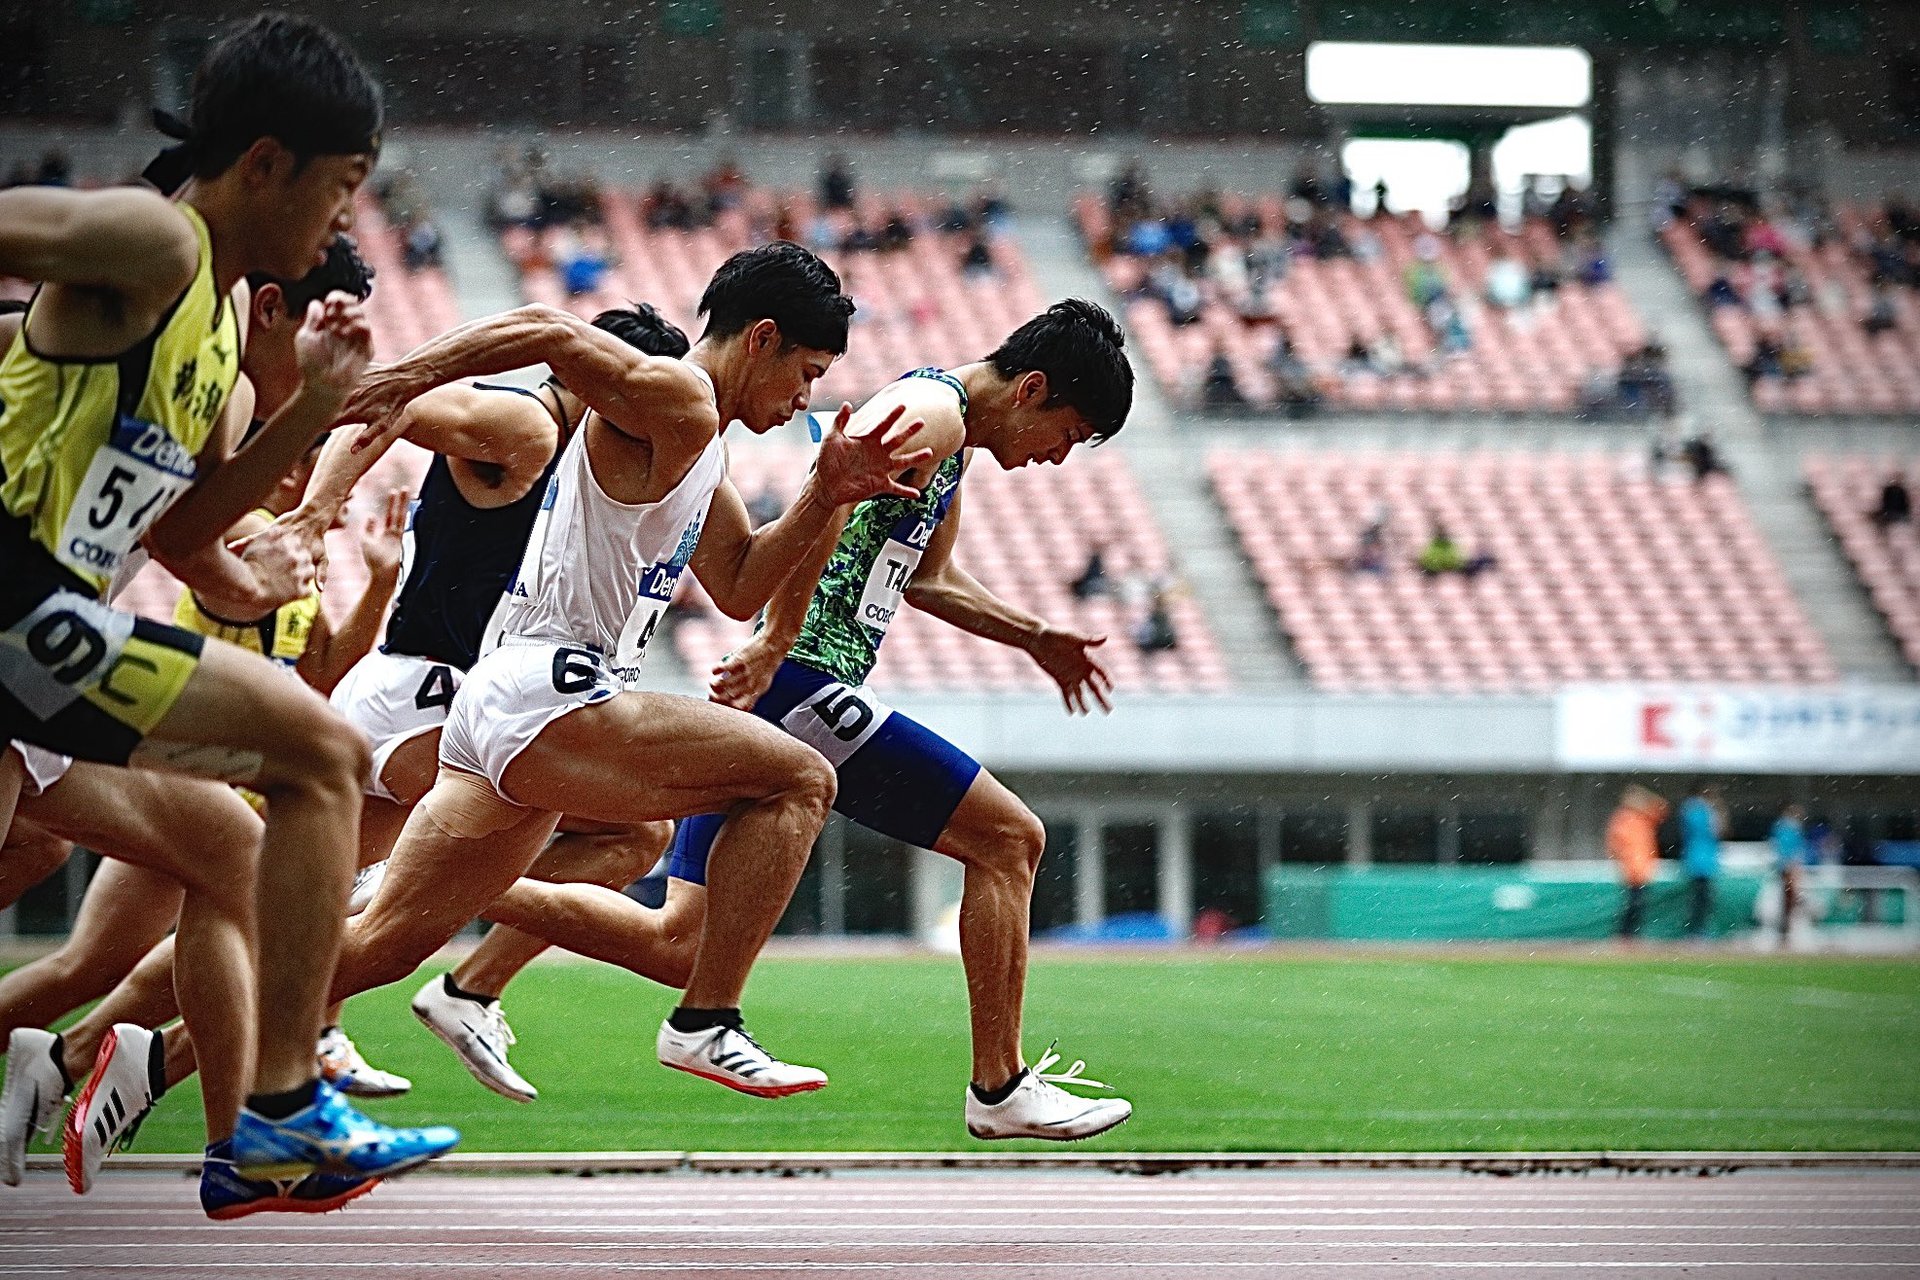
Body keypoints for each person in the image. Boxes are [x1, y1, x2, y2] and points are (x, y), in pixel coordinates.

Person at [0, 13, 455, 1194]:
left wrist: (308, 414)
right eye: (344, 188)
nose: (349, 220)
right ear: (265, 163)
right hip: (15, 610)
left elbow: (186, 531)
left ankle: (257, 1128)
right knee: (315, 750)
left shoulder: (209, 327)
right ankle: (284, 1108)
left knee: (245, 834)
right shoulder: (148, 238)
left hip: (42, 639)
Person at [53, 306, 693, 1143]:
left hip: (424, 701)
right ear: (601, 380)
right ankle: (462, 990)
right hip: (430, 701)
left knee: (295, 916)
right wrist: (318, 512)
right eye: (636, 399)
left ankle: (75, 1057)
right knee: (634, 830)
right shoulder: (525, 420)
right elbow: (382, 405)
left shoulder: (586, 450)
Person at [311, 242, 933, 1099]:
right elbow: (543, 328)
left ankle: (138, 1054)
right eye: (806, 373)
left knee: (382, 945)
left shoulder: (702, 446)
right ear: (760, 338)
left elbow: (741, 582)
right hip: (548, 690)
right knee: (797, 779)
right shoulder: (680, 393)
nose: (804, 400)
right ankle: (706, 1020)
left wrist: (827, 496)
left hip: (509, 701)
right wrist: (401, 380)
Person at [684, 300, 1137, 1141]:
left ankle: (447, 936)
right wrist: (778, 642)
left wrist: (1035, 636)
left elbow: (929, 580)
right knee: (1010, 840)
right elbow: (830, 498)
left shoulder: (951, 439)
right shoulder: (928, 416)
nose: (1055, 460)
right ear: (1032, 389)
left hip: (795, 679)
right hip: (802, 681)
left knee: (674, 941)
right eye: (1066, 435)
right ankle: (999, 1088)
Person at [1606, 786, 1667, 939]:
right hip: (1632, 868)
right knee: (1633, 904)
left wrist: (1644, 795)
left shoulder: (1643, 817)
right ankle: (1625, 936)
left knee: (1639, 905)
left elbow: (1663, 808)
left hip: (1644, 867)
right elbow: (1614, 843)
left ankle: (1630, 936)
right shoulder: (1623, 818)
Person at [1678, 786, 1724, 937]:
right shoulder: (1702, 811)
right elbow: (1716, 831)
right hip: (1702, 861)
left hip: (1696, 859)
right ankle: (1697, 931)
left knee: (1698, 899)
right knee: (1701, 900)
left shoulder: (1691, 809)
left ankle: (1695, 931)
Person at [1770, 802, 1811, 945]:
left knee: (1789, 900)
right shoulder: (1787, 827)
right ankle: (1784, 933)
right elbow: (1786, 850)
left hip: (1789, 867)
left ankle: (1786, 932)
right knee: (1788, 900)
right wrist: (1791, 866)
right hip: (1788, 867)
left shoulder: (1785, 827)